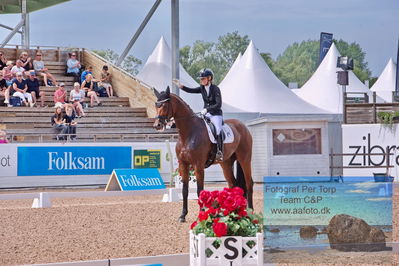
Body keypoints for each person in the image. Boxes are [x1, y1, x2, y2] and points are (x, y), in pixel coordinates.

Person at [173, 68, 224, 161]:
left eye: (203, 79)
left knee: (217, 130)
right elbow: (191, 90)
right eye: (200, 79)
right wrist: (180, 86)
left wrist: (207, 109)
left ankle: (219, 152)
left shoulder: (216, 89)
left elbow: (218, 104)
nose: (201, 80)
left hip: (216, 114)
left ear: (209, 78)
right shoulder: (202, 88)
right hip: (206, 114)